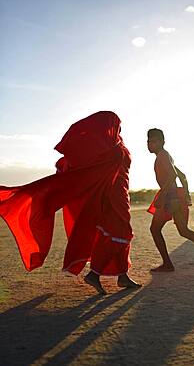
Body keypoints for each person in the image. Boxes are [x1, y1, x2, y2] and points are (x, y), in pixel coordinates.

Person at [0, 111, 141, 295]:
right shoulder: (109, 150)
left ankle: (123, 276)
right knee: (121, 234)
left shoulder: (117, 145)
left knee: (116, 235)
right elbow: (87, 169)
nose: (118, 128)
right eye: (115, 124)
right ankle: (94, 274)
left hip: (121, 196)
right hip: (109, 198)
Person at [147, 128, 194, 272]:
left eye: (154, 141)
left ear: (162, 142)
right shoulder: (166, 156)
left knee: (155, 229)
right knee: (183, 231)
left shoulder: (162, 155)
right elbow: (182, 176)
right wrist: (186, 193)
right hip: (174, 196)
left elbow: (173, 175)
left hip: (169, 197)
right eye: (149, 141)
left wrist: (162, 196)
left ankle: (168, 264)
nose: (150, 144)